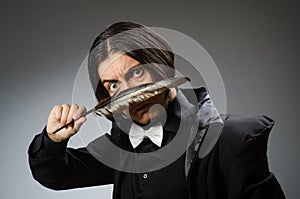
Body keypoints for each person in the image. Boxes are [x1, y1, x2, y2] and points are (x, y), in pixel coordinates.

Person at [28, 22, 285, 199]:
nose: (128, 93)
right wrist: (52, 140)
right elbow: (56, 175)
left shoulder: (231, 139)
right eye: (114, 85)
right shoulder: (120, 150)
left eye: (136, 72)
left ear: (161, 66)